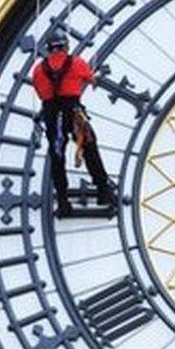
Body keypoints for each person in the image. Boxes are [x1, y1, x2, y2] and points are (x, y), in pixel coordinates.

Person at [32, 30, 116, 217]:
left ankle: (62, 200)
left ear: (49, 48)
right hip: (73, 111)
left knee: (57, 155)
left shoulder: (38, 69)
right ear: (66, 46)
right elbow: (92, 81)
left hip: (51, 113)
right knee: (89, 146)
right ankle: (103, 189)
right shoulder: (77, 63)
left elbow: (39, 91)